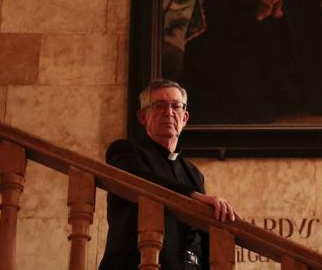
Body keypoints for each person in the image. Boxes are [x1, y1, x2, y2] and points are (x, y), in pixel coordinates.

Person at [99, 79, 237, 270]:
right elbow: (143, 181)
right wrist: (194, 196)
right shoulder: (124, 151)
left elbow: (202, 232)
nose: (169, 112)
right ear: (142, 117)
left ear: (185, 118)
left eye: (176, 106)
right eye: (159, 105)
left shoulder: (193, 173)